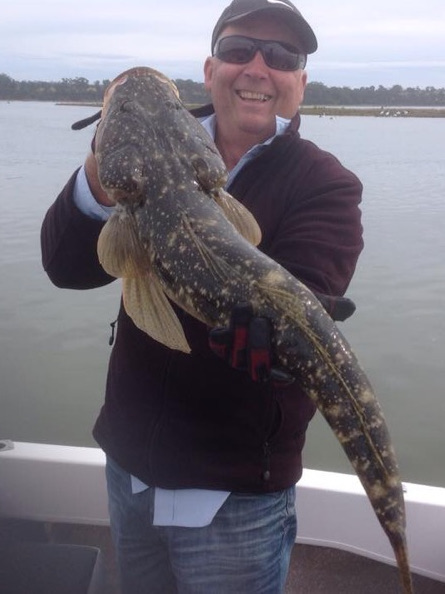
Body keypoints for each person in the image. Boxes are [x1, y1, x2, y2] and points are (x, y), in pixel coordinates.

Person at [41, 0, 364, 592]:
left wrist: (291, 320)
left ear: (300, 81)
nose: (258, 68)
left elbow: (314, 279)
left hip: (235, 495)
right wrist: (102, 171)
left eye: (282, 56)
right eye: (240, 51)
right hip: (129, 466)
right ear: (211, 68)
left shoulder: (327, 184)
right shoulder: (136, 153)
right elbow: (65, 267)